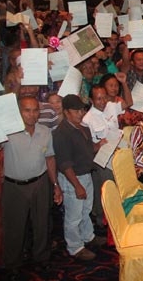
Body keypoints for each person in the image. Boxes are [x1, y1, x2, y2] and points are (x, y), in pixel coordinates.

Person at [2, 97, 62, 279]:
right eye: (27, 110)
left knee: (42, 222)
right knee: (14, 227)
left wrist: (55, 185)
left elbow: (50, 158)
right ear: (19, 112)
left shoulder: (45, 132)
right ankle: (13, 263)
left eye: (35, 110)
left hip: (40, 182)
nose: (32, 114)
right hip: (14, 186)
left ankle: (41, 258)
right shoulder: (8, 132)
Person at [52, 95, 107, 261]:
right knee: (73, 215)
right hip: (72, 178)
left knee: (86, 209)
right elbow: (64, 164)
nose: (80, 113)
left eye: (82, 109)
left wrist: (100, 145)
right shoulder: (61, 133)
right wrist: (77, 186)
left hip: (86, 173)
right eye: (76, 110)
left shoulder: (83, 127)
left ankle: (88, 236)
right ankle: (75, 247)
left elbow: (88, 148)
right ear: (66, 112)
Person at [81, 86, 123, 228]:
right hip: (101, 161)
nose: (103, 101)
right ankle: (102, 222)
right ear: (92, 100)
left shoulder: (110, 108)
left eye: (104, 97)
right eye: (99, 98)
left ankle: (115, 218)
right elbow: (86, 147)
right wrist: (98, 145)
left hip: (116, 156)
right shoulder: (87, 120)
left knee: (117, 189)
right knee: (105, 192)